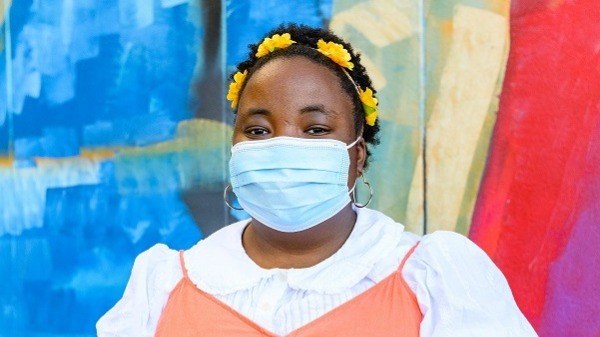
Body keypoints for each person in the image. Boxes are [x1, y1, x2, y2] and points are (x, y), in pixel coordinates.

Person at [97, 24, 538, 336]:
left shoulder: (433, 278)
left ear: (357, 156)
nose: (282, 146)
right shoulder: (163, 283)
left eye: (315, 129)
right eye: (258, 130)